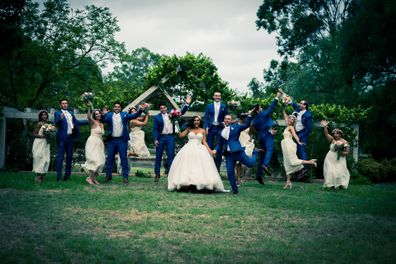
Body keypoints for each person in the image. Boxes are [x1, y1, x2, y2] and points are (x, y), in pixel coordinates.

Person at [168, 116, 228, 192]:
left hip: (200, 149)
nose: (196, 121)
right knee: (187, 166)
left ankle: (198, 184)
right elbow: (180, 135)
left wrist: (210, 151)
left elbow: (204, 142)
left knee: (199, 167)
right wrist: (176, 125)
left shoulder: (203, 130)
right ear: (193, 121)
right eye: (195, 120)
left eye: (198, 120)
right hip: (188, 150)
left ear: (200, 122)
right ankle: (187, 184)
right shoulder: (189, 129)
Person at [101, 102, 148, 184]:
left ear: (121, 108)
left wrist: (141, 109)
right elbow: (102, 120)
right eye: (115, 106)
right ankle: (108, 176)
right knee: (109, 159)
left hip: (122, 140)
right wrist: (103, 114)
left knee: (124, 159)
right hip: (112, 140)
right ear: (113, 108)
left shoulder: (125, 115)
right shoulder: (109, 115)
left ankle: (125, 177)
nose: (117, 108)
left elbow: (134, 115)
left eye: (119, 107)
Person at [214, 111, 258, 194]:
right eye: (225, 119)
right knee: (230, 172)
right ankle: (235, 190)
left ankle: (255, 152)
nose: (227, 120)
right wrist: (215, 150)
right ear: (224, 120)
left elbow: (246, 125)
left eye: (228, 119)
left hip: (238, 152)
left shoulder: (236, 127)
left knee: (251, 164)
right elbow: (219, 144)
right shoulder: (221, 132)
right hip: (229, 155)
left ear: (231, 121)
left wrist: (249, 115)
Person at [153, 96, 191, 182]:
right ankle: (157, 174)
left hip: (170, 137)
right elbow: (155, 129)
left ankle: (170, 174)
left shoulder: (172, 113)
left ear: (167, 108)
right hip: (161, 137)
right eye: (161, 108)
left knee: (171, 156)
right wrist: (155, 139)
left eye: (164, 107)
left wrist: (187, 104)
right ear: (159, 109)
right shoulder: (157, 117)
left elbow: (182, 112)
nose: (163, 109)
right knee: (158, 156)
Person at [280, 105, 317, 189]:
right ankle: (288, 182)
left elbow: (295, 135)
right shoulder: (287, 124)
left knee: (292, 161)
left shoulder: (291, 127)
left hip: (289, 144)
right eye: (290, 118)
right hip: (285, 145)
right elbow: (285, 115)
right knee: (286, 163)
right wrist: (283, 107)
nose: (290, 120)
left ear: (293, 122)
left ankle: (310, 162)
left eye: (293, 119)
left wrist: (299, 142)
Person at [54, 99, 88, 182]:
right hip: (62, 138)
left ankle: (67, 177)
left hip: (70, 138)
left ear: (67, 104)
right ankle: (59, 177)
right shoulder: (57, 113)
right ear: (60, 105)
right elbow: (56, 124)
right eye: (63, 103)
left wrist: (90, 121)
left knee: (69, 158)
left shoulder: (71, 113)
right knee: (60, 158)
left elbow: (77, 122)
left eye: (66, 103)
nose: (65, 105)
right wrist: (60, 119)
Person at [252, 92, 282, 185]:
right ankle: (266, 165)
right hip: (268, 135)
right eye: (260, 108)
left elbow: (256, 129)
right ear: (257, 110)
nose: (262, 108)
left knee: (262, 155)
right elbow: (271, 107)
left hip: (261, 137)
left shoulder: (255, 120)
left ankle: (259, 175)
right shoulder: (263, 114)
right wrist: (277, 97)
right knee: (270, 150)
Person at [320, 120, 350, 189]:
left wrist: (340, 152)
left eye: (337, 133)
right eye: (334, 133)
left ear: (340, 134)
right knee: (330, 171)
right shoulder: (332, 140)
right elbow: (326, 134)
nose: (335, 135)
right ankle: (330, 185)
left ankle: (340, 185)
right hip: (330, 158)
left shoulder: (344, 142)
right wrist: (325, 126)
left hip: (340, 159)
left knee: (339, 172)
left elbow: (347, 152)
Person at [81, 101, 105, 185]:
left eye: (99, 114)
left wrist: (103, 145)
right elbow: (88, 117)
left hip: (99, 143)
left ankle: (92, 178)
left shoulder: (102, 124)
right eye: (96, 114)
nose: (98, 115)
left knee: (100, 161)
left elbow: (101, 136)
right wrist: (88, 108)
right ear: (94, 115)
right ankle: (90, 179)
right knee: (93, 160)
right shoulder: (93, 122)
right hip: (92, 142)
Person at [290, 98, 313, 180]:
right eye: (299, 103)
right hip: (295, 133)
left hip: (302, 134)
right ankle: (298, 169)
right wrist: (288, 99)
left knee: (301, 150)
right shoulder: (298, 109)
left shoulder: (308, 115)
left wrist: (301, 136)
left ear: (305, 106)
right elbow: (293, 104)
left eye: (301, 103)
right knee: (294, 150)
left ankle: (304, 169)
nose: (299, 104)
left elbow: (309, 128)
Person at [205, 92, 228, 171]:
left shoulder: (224, 106)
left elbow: (226, 117)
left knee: (219, 147)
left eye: (219, 95)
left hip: (220, 128)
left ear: (220, 97)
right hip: (211, 128)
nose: (217, 97)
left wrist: (224, 123)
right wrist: (206, 127)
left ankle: (217, 168)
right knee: (209, 146)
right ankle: (208, 167)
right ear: (213, 96)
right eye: (216, 95)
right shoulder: (209, 106)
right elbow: (206, 117)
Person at [235, 114, 255, 187]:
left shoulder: (250, 124)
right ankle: (238, 179)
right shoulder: (238, 123)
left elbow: (251, 133)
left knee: (244, 162)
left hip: (246, 142)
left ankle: (241, 177)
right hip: (238, 141)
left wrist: (250, 138)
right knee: (237, 163)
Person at [32, 110, 51, 183]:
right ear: (40, 116)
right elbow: (34, 134)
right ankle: (38, 176)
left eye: (45, 115)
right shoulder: (39, 124)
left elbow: (49, 133)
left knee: (46, 159)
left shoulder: (48, 125)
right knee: (39, 158)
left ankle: (42, 175)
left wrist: (49, 134)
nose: (44, 116)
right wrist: (43, 136)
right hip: (39, 143)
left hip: (46, 143)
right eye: (43, 115)